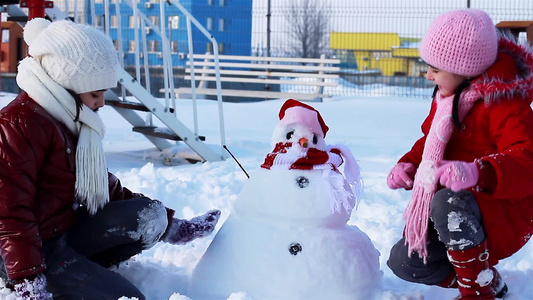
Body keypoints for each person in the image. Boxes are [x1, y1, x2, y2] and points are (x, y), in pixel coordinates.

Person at [0, 18, 221, 299]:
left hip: (64, 230)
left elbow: (102, 186)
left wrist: (170, 226)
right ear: (66, 84)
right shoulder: (18, 124)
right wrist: (30, 283)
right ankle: (69, 277)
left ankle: (84, 271)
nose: (102, 102)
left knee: (149, 216)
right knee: (127, 298)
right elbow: (9, 214)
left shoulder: (68, 116)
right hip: (26, 251)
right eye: (95, 93)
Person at [386, 9, 533, 300]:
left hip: (504, 210)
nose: (428, 75)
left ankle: (477, 292)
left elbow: (526, 159)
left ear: (464, 70)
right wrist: (409, 164)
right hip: (454, 214)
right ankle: (484, 279)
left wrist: (479, 172)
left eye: (435, 68)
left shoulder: (505, 104)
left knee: (447, 200)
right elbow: (430, 141)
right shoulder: (447, 99)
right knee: (405, 262)